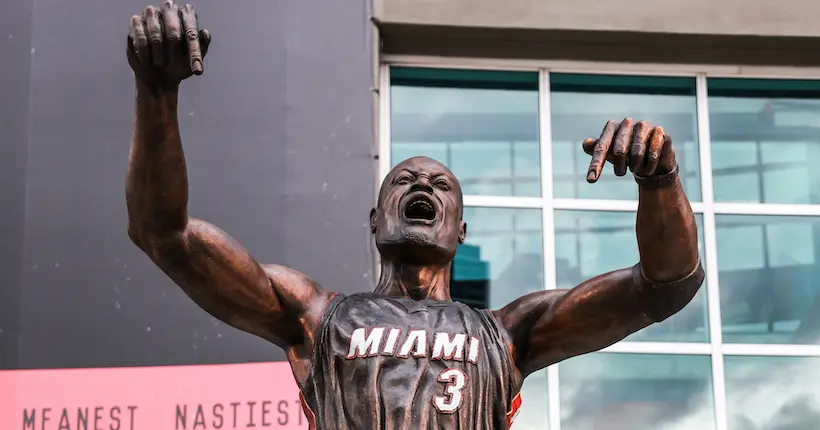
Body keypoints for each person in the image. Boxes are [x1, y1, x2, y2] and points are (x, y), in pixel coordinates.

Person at [125, 2, 704, 429]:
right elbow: (165, 234)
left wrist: (661, 181)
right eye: (404, 180)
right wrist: (156, 95)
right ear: (375, 221)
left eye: (440, 185)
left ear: (461, 231)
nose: (422, 183)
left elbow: (665, 286)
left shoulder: (505, 335)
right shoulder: (314, 316)